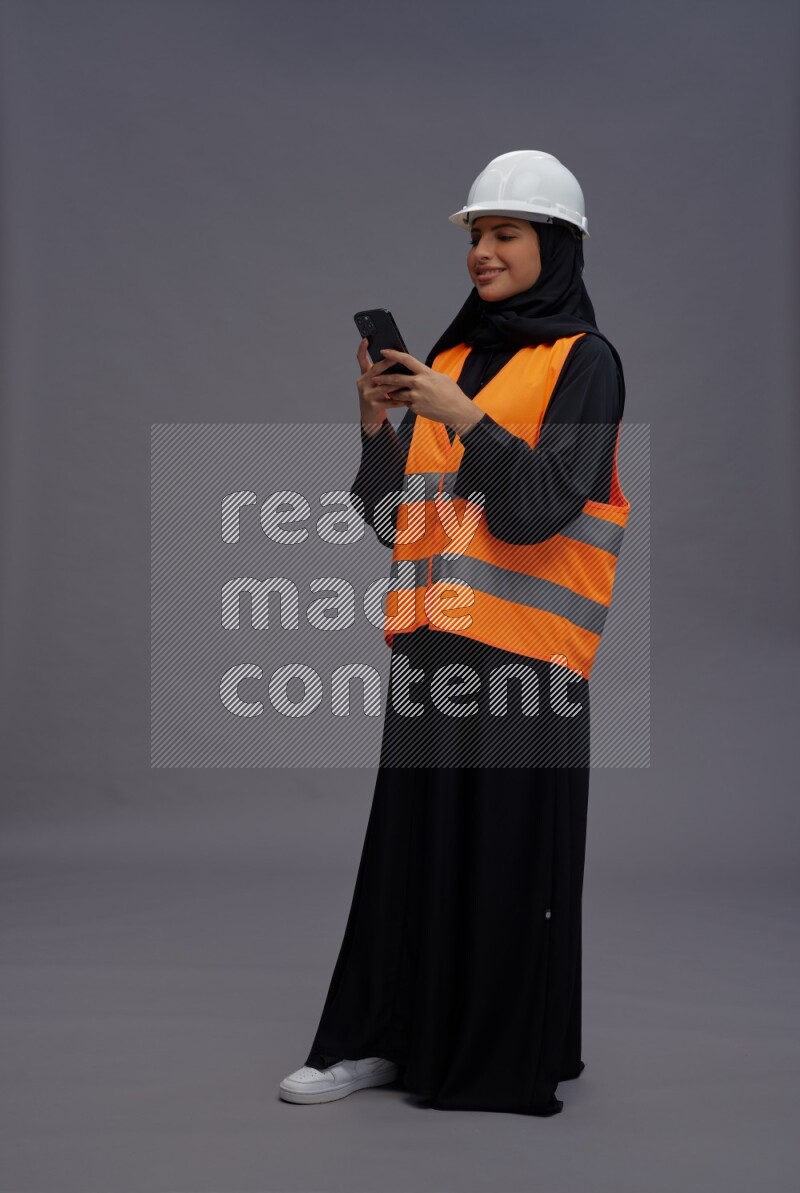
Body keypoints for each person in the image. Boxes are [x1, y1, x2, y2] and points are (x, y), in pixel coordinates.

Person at [278, 150, 630, 1116]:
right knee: (412, 854)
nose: (482, 252)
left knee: (511, 860)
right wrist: (374, 425)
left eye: (505, 234)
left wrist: (465, 417)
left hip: (531, 661)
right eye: (476, 236)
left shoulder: (586, 363)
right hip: (436, 649)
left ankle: (501, 1054)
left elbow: (540, 508)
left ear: (554, 245)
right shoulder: (450, 362)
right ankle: (380, 1041)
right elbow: (398, 521)